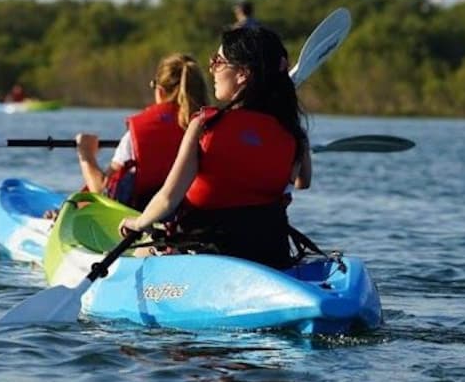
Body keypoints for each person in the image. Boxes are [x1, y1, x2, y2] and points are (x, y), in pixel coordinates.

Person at [119, 26, 312, 269]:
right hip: (270, 254)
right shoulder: (293, 133)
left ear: (242, 73)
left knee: (142, 253)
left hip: (208, 253)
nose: (212, 69)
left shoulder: (205, 125)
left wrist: (139, 222)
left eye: (218, 61)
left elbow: (169, 198)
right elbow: (302, 182)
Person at [73, 53, 209, 211]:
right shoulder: (212, 126)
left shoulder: (136, 134)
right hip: (196, 215)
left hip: (142, 216)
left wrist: (86, 155)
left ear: (160, 91)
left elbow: (103, 192)